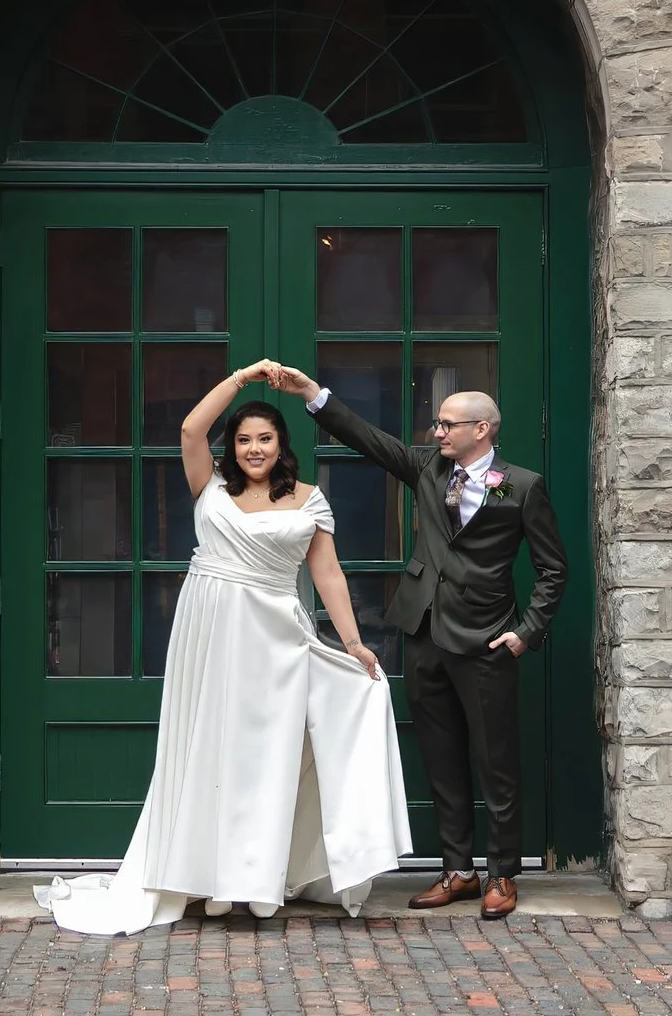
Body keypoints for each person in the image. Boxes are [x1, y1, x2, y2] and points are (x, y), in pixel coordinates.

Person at [36, 366, 411, 934]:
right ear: (231, 448)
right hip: (208, 630)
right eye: (243, 440)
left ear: (281, 444)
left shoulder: (309, 500)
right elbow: (190, 430)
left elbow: (329, 575)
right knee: (207, 749)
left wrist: (354, 642)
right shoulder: (208, 486)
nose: (254, 448)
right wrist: (242, 379)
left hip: (276, 639)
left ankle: (259, 882)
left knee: (266, 757)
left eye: (264, 438)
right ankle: (207, 879)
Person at [267, 364, 566, 922]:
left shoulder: (522, 486)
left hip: (486, 640)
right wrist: (313, 394)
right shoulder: (428, 468)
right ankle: (458, 870)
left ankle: (502, 874)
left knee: (495, 762)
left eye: (448, 424)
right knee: (442, 758)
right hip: (423, 633)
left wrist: (525, 634)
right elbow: (369, 438)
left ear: (483, 429)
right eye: (437, 423)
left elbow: (554, 569)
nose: (437, 432)